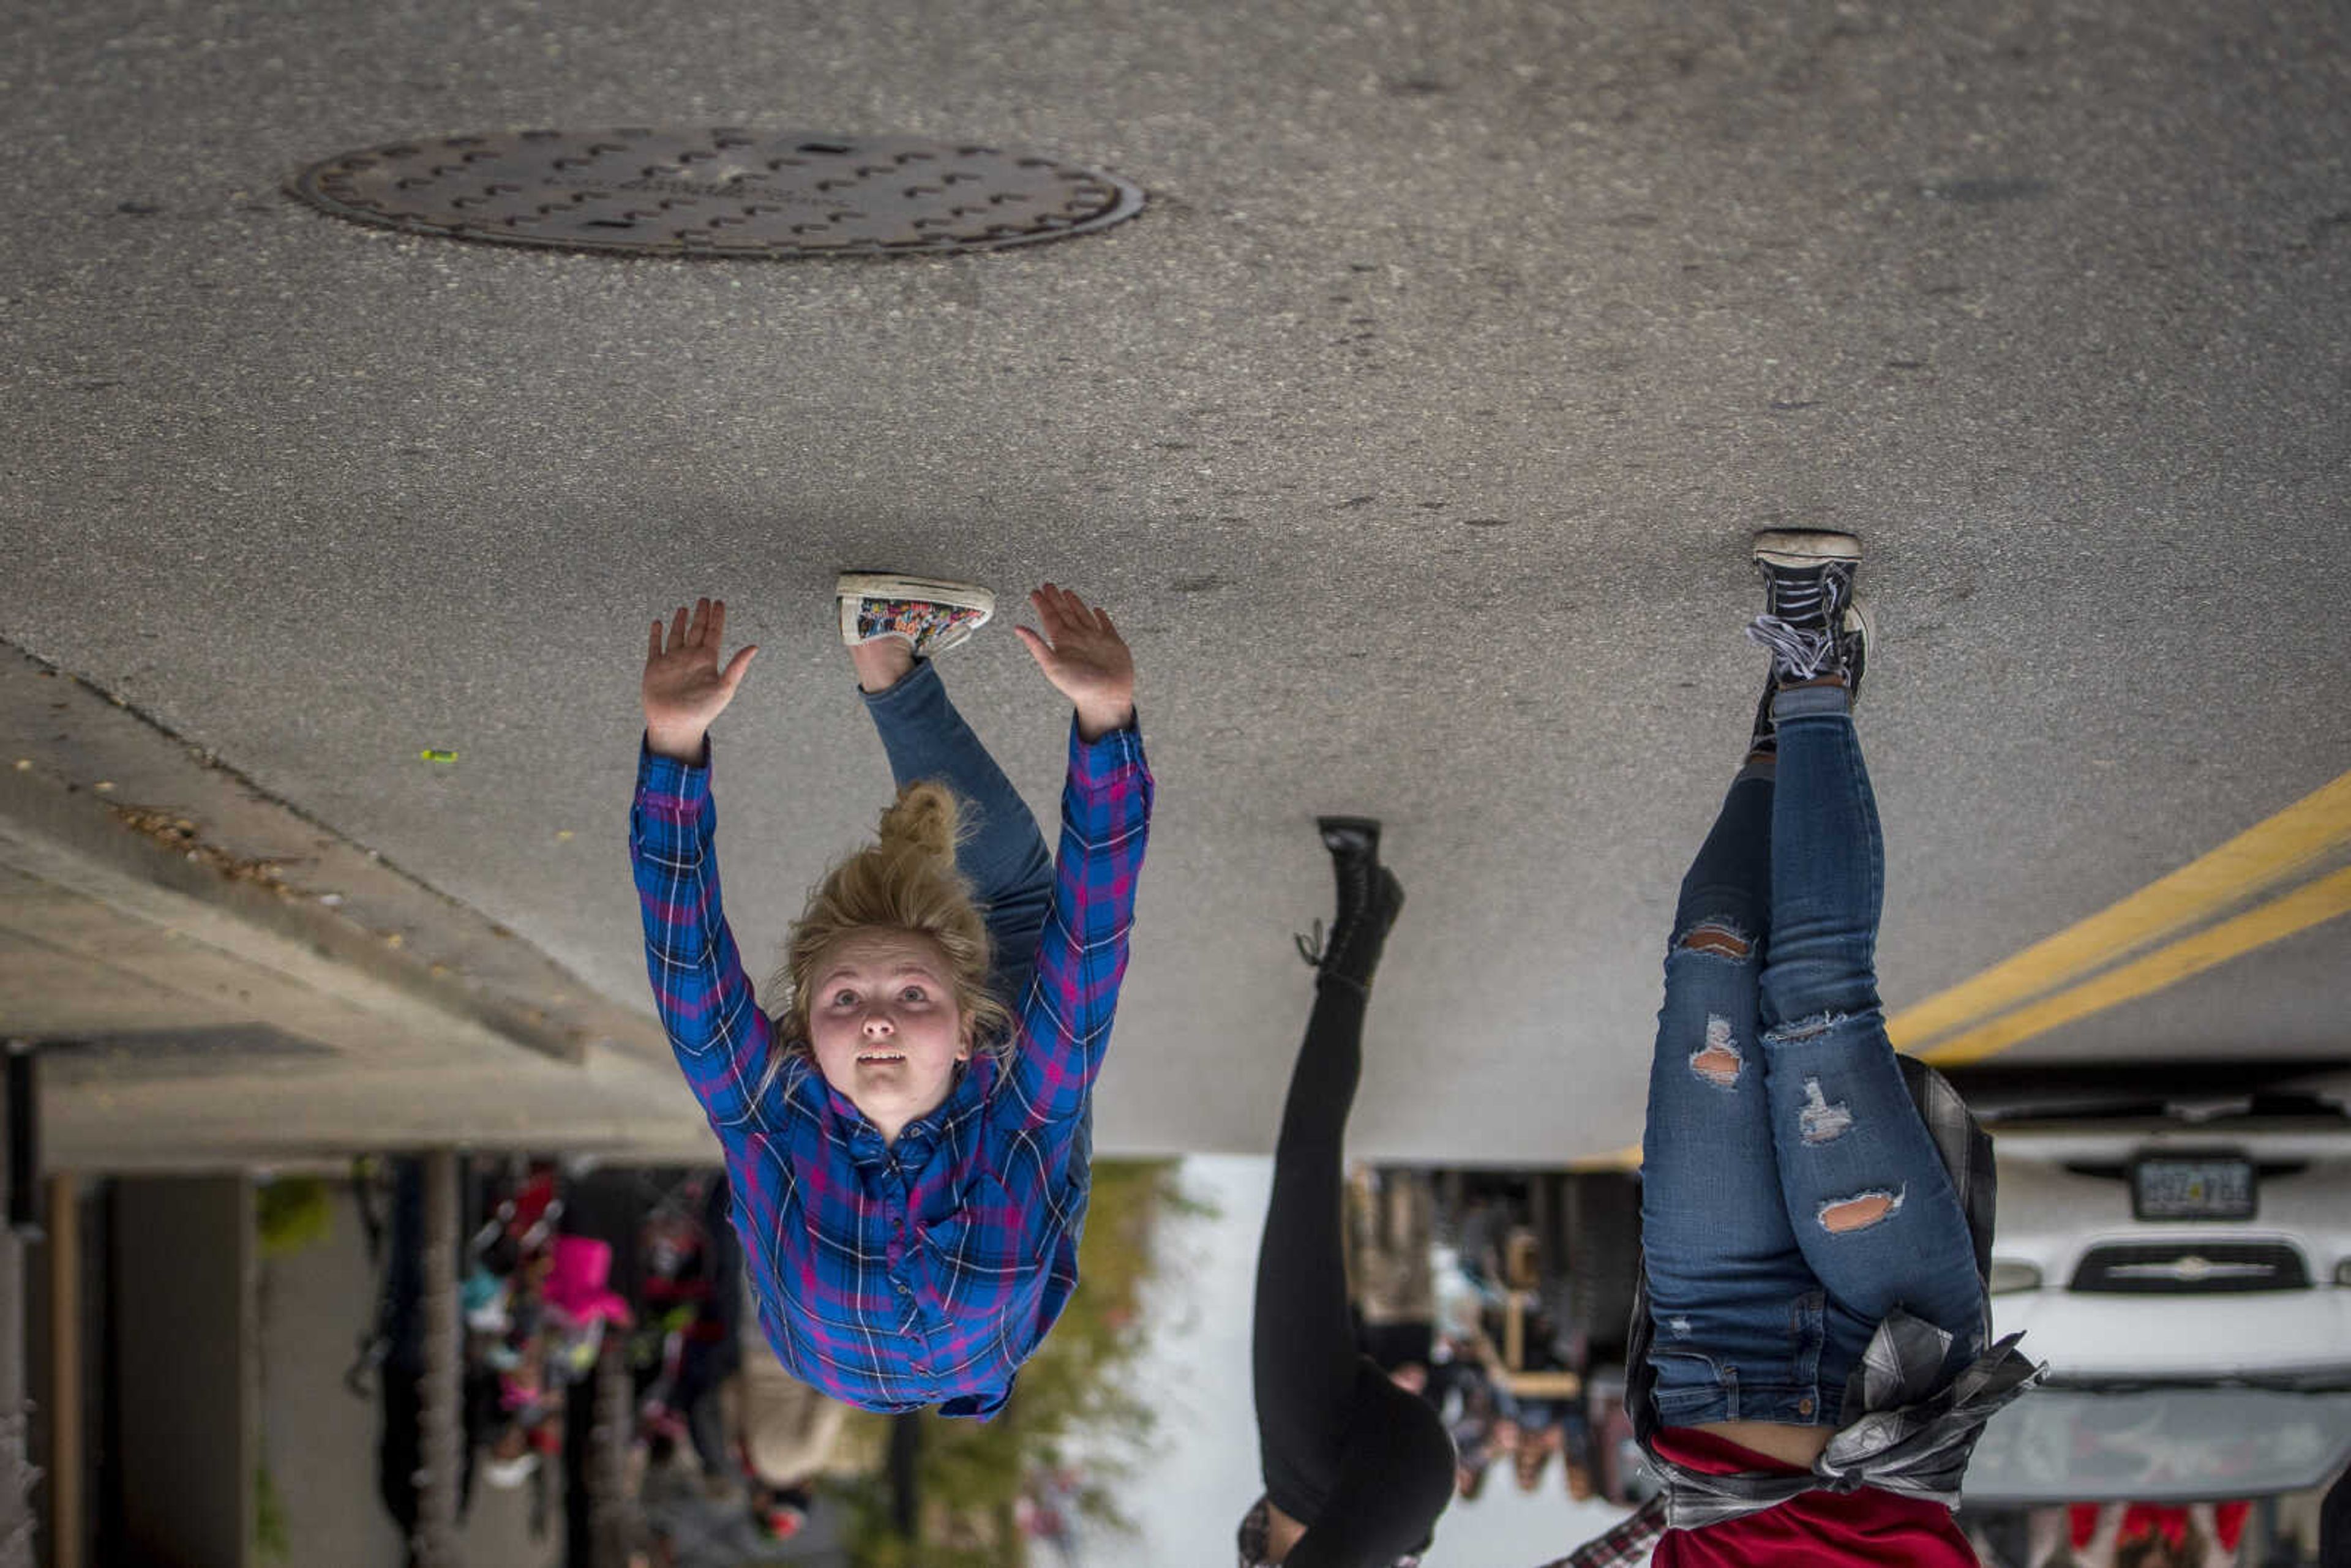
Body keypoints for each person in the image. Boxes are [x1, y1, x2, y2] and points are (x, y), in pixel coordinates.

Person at [1547, 532, 2042, 1567]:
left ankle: (1789, 729)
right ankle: (1811, 651)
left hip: (1711, 1342)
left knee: (1710, 958)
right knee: (1814, 1010)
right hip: (1889, 1362)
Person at [629, 577, 1152, 1417]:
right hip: (982, 1328)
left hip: (834, 1358)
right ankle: (886, 659)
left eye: (840, 1001)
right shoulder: (1026, 1108)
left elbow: (683, 963)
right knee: (1031, 915)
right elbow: (1094, 938)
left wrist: (674, 745)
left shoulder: (767, 1112)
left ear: (797, 1033)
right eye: (910, 994)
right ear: (969, 1029)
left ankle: (886, 658)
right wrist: (1107, 722)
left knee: (1015, 901)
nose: (876, 1017)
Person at [1239, 820, 1458, 1568]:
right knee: (1305, 1165)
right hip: (1370, 1493)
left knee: (1305, 1166)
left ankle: (1363, 923)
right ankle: (1363, 922)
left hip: (1333, 1474)